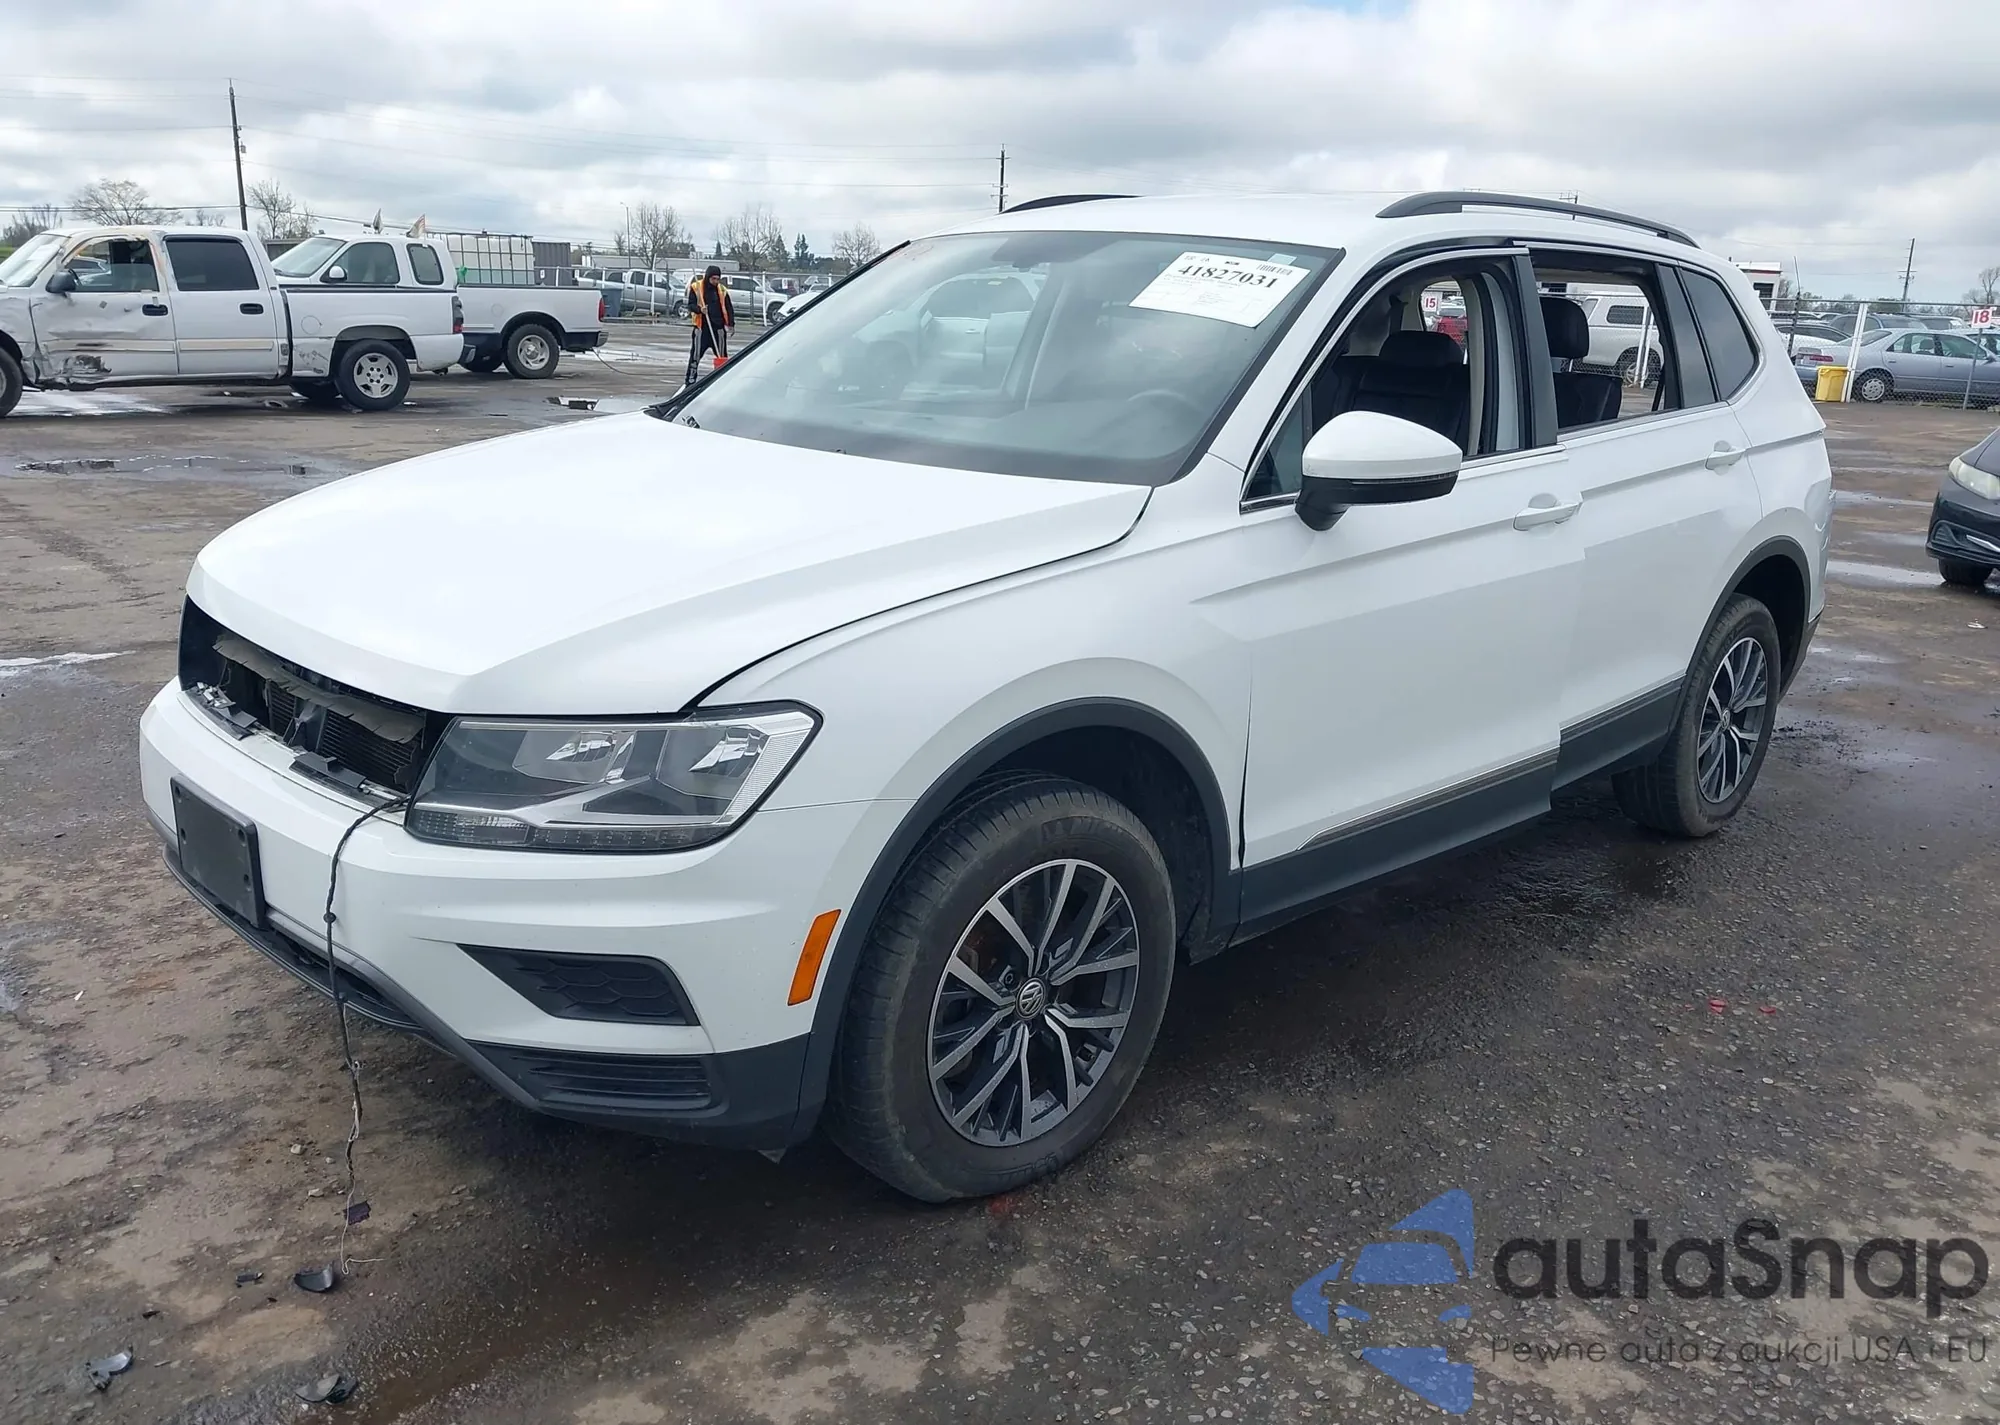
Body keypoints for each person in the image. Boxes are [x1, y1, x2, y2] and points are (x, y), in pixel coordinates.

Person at [684, 265, 735, 386]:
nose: (716, 281)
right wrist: (700, 310)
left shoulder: (722, 290)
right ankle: (690, 380)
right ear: (708, 277)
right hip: (701, 329)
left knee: (722, 357)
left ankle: (722, 380)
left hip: (718, 330)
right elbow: (690, 305)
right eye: (713, 279)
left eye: (718, 279)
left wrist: (731, 324)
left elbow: (729, 308)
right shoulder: (696, 287)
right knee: (695, 356)